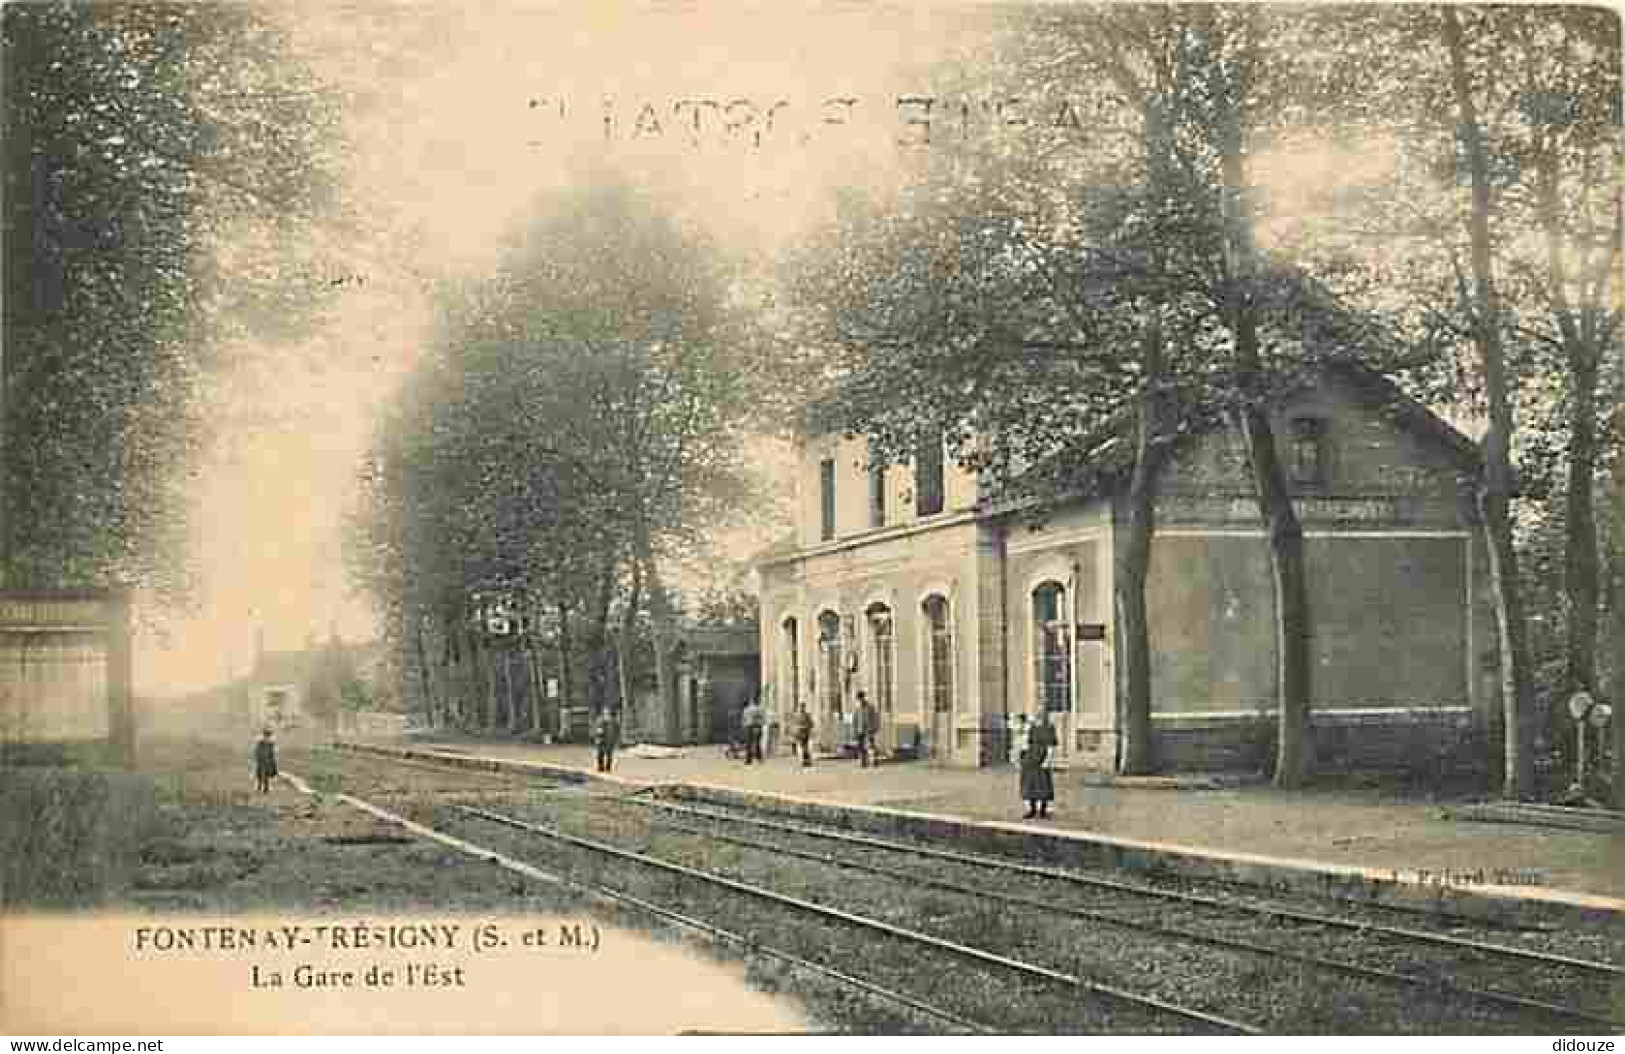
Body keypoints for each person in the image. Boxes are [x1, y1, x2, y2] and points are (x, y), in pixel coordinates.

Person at [1020, 710, 1060, 819]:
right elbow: (1026, 743)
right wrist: (1022, 758)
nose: (1037, 718)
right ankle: (1032, 810)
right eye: (1036, 716)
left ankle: (1043, 810)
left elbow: (1051, 746)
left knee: (1043, 786)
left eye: (1039, 716)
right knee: (1030, 785)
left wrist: (1047, 760)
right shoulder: (1032, 728)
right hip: (1030, 758)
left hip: (1041, 758)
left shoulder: (1049, 728)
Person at [853, 690, 879, 768]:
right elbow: (855, 720)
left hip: (869, 729)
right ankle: (863, 762)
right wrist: (855, 730)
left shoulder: (870, 707)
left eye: (861, 698)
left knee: (871, 746)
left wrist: (875, 728)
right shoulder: (857, 709)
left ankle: (874, 760)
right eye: (859, 699)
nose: (860, 700)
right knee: (861, 747)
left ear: (863, 697)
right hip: (860, 730)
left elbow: (875, 717)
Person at [592, 708, 621, 773]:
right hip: (602, 740)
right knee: (600, 754)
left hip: (609, 741)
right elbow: (598, 730)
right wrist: (598, 738)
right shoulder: (600, 721)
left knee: (609, 755)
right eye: (605, 713)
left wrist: (616, 740)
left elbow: (617, 731)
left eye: (607, 713)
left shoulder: (614, 722)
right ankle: (601, 767)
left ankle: (608, 768)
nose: (606, 714)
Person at [740, 697, 765, 764]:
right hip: (756, 726)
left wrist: (744, 726)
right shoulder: (759, 709)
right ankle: (759, 759)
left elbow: (743, 720)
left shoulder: (746, 710)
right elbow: (761, 718)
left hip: (748, 727)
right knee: (757, 743)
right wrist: (760, 725)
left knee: (749, 744)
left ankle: (748, 760)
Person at [789, 703, 815, 768]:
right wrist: (795, 731)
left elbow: (812, 724)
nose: (801, 708)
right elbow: (794, 724)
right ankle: (806, 760)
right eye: (801, 707)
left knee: (805, 747)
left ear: (804, 708)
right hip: (800, 733)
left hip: (805, 733)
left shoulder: (807, 715)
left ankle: (807, 761)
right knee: (803, 747)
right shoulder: (797, 716)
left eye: (803, 707)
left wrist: (806, 727)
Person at [254, 727, 278, 794]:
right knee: (261, 775)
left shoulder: (270, 743)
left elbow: (272, 753)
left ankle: (265, 789)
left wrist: (272, 761)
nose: (267, 736)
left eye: (268, 734)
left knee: (265, 776)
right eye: (267, 734)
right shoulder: (261, 742)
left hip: (266, 761)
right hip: (263, 761)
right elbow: (257, 751)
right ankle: (262, 788)